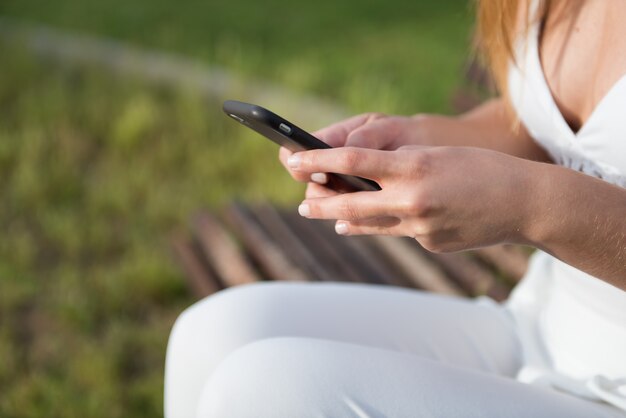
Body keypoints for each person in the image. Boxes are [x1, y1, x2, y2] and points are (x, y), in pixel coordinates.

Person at [164, 0, 626, 416]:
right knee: (213, 335)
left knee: (265, 387)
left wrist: (527, 205)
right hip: (540, 323)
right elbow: (545, 129)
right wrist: (421, 139)